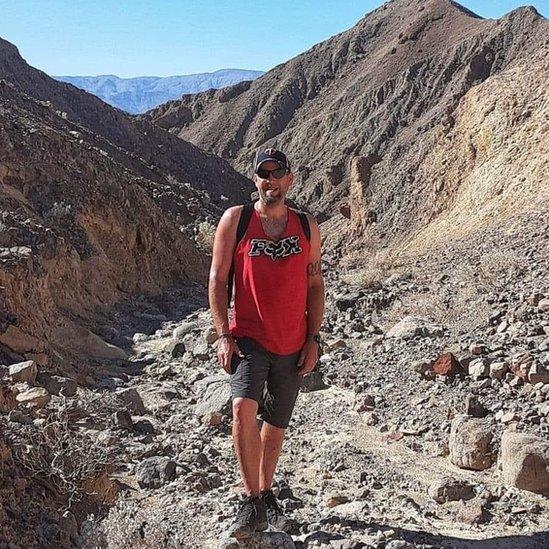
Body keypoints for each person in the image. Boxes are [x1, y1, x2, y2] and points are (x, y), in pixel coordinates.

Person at [208, 148, 325, 538]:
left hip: (292, 341)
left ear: (290, 179)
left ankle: (266, 493)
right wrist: (224, 334)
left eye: (278, 174)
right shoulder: (237, 221)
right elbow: (217, 278)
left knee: (275, 424)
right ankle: (250, 499)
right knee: (243, 409)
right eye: (263, 174)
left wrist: (313, 339)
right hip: (249, 338)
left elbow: (314, 283)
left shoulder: (306, 226)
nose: (270, 180)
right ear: (255, 180)